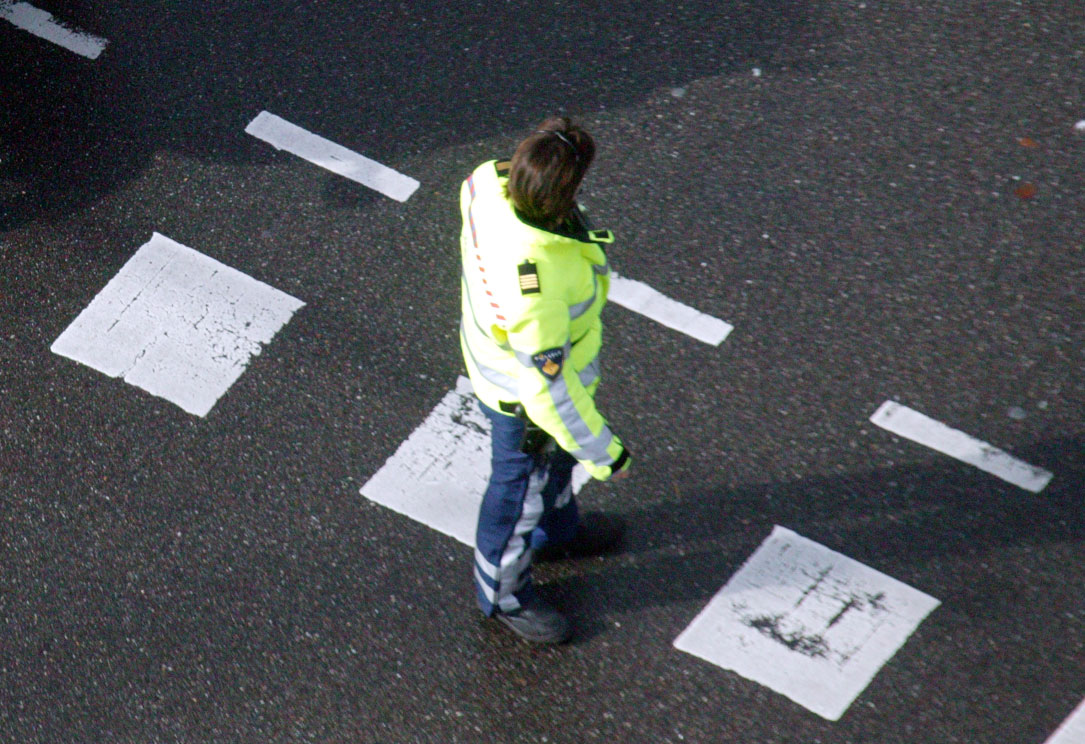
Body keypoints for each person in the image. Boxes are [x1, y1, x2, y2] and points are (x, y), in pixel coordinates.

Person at [458, 116, 631, 644]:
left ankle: (558, 534)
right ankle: (504, 596)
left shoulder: (487, 182)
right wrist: (606, 456)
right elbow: (548, 393)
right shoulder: (537, 286)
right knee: (515, 498)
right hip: (522, 403)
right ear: (562, 195)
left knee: (551, 469)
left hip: (502, 364)